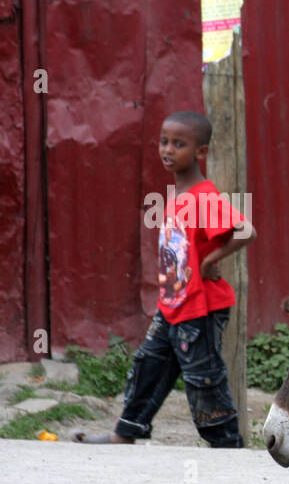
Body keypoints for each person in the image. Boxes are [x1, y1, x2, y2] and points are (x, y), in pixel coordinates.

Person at [72, 110, 256, 447]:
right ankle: (125, 432)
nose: (167, 150)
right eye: (164, 141)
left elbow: (246, 230)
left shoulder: (203, 195)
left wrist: (211, 259)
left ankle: (228, 446)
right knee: (149, 367)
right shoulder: (176, 196)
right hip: (172, 306)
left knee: (205, 380)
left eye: (179, 144)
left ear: (201, 152)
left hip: (199, 311)